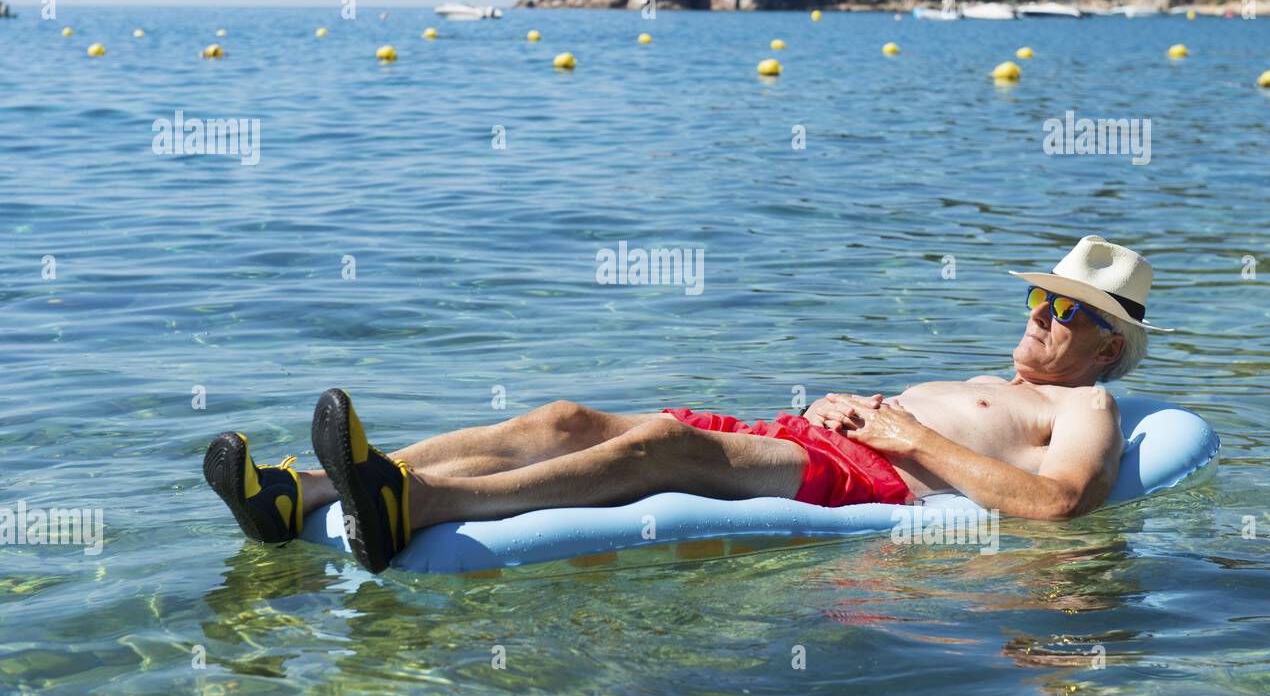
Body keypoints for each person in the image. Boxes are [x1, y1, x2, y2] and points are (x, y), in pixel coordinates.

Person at [204, 235, 1172, 573]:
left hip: (865, 477)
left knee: (659, 448)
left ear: (1104, 344)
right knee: (564, 417)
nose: (1038, 314)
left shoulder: (1087, 408)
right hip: (820, 438)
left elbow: (1055, 506)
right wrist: (855, 403)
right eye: (1040, 297)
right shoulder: (1000, 381)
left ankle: (410, 503)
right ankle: (310, 488)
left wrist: (904, 431)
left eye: (1063, 310)